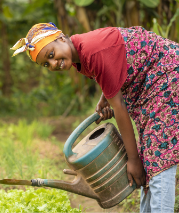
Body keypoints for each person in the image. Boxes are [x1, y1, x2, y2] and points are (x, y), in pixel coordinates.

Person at [11, 22, 179, 212]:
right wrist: (105, 97)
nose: (52, 64)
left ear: (60, 38)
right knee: (151, 161)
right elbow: (114, 66)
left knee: (159, 160)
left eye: (51, 55)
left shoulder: (91, 50)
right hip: (151, 87)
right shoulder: (79, 54)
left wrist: (132, 160)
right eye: (46, 64)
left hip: (168, 78)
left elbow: (120, 109)